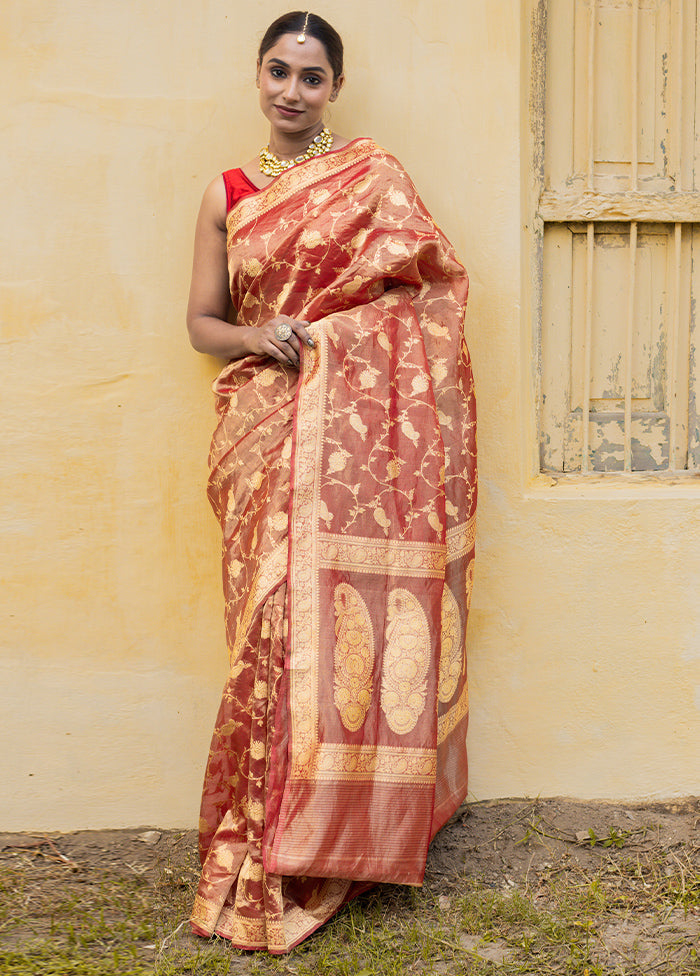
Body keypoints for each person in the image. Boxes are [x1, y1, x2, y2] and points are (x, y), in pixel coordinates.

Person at [186, 10, 477, 954]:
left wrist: (332, 341)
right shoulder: (225, 194)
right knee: (263, 635)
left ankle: (322, 846)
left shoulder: (374, 179)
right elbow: (202, 322)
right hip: (260, 431)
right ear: (256, 76)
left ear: (335, 90)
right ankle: (254, 847)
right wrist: (259, 338)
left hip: (342, 446)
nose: (292, 92)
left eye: (312, 78)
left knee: (323, 636)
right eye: (279, 72)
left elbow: (426, 292)